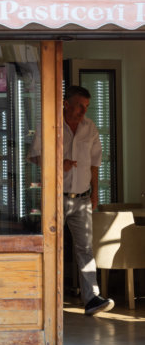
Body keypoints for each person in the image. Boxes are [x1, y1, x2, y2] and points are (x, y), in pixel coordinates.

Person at [31, 86, 113, 316]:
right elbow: (34, 156)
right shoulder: (50, 124)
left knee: (85, 248)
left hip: (83, 197)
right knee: (49, 246)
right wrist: (58, 163)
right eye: (79, 106)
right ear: (66, 103)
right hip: (55, 197)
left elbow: (95, 164)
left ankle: (91, 299)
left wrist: (95, 193)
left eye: (86, 107)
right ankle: (44, 297)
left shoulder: (90, 128)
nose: (82, 111)